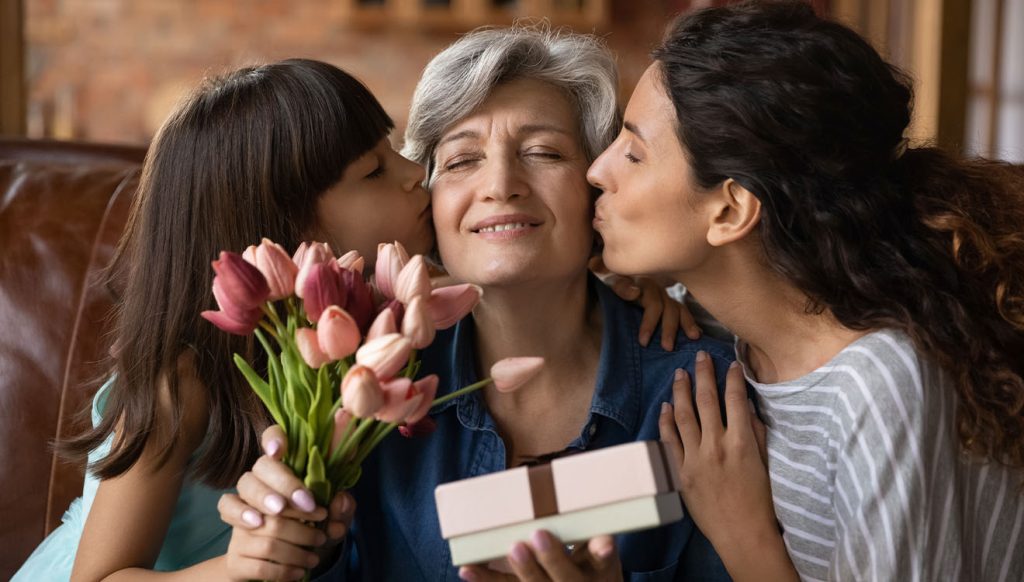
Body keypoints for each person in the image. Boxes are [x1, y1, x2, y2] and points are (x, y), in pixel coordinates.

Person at [219, 27, 736, 581]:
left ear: (597, 188)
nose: (501, 184)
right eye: (462, 161)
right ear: (429, 203)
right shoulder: (362, 390)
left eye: (542, 152)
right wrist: (287, 547)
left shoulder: (702, 391)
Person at [586, 2, 1024, 581]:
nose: (597, 170)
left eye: (634, 152)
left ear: (731, 209)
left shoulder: (879, 384)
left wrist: (745, 537)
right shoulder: (715, 326)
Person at [14, 58, 433, 581]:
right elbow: (98, 577)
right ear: (283, 227)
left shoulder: (363, 334)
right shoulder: (182, 382)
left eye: (394, 152)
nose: (417, 173)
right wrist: (236, 569)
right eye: (374, 171)